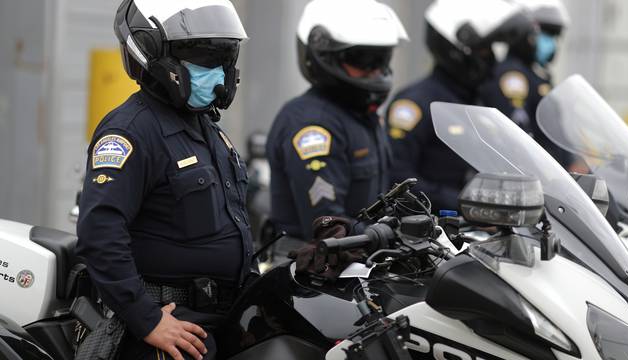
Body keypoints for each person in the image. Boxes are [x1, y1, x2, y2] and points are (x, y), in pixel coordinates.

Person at [76, 1, 252, 359]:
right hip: (171, 326)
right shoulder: (130, 131)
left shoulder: (208, 130)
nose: (217, 71)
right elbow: (100, 235)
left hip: (220, 319)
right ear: (153, 54)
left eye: (223, 57)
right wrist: (148, 320)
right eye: (202, 57)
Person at [266, 0, 409, 243]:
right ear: (325, 57)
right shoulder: (313, 125)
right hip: (313, 267)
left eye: (380, 59)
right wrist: (394, 237)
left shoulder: (362, 116)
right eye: (362, 60)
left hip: (365, 260)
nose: (374, 70)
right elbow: (328, 226)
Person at [385, 0, 533, 212]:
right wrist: (463, 204)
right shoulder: (415, 104)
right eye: (483, 51)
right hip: (429, 233)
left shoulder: (478, 101)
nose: (491, 60)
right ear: (455, 50)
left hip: (476, 231)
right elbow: (396, 179)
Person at [478, 0, 574, 167]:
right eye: (546, 33)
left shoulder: (535, 76)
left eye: (554, 35)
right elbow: (519, 138)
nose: (551, 42)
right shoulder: (512, 77)